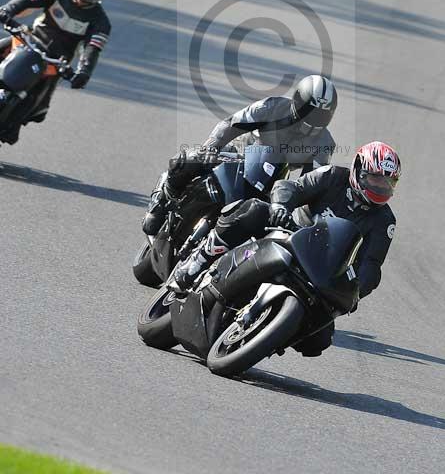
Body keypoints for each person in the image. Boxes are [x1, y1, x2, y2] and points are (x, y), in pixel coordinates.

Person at [171, 140, 401, 355]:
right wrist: (280, 206)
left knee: (318, 341)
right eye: (375, 179)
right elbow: (292, 187)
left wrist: (356, 291)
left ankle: (267, 338)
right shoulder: (332, 176)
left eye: (387, 183)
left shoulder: (384, 221)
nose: (381, 188)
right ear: (358, 171)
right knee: (254, 210)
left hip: (319, 270)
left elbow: (371, 264)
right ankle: (198, 261)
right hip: (289, 234)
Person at [142, 75, 338, 235]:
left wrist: (299, 214)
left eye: (320, 114)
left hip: (271, 182)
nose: (312, 119)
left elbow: (313, 183)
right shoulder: (271, 107)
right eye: (308, 110)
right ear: (297, 101)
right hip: (237, 155)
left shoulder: (324, 144)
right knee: (187, 160)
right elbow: (231, 123)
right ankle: (161, 198)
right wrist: (212, 147)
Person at [0, 0, 112, 144]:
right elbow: (26, 1)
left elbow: (92, 50)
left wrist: (83, 72)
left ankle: (10, 126)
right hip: (27, 41)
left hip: (54, 63)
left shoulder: (101, 22)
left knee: (37, 105)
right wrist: (7, 11)